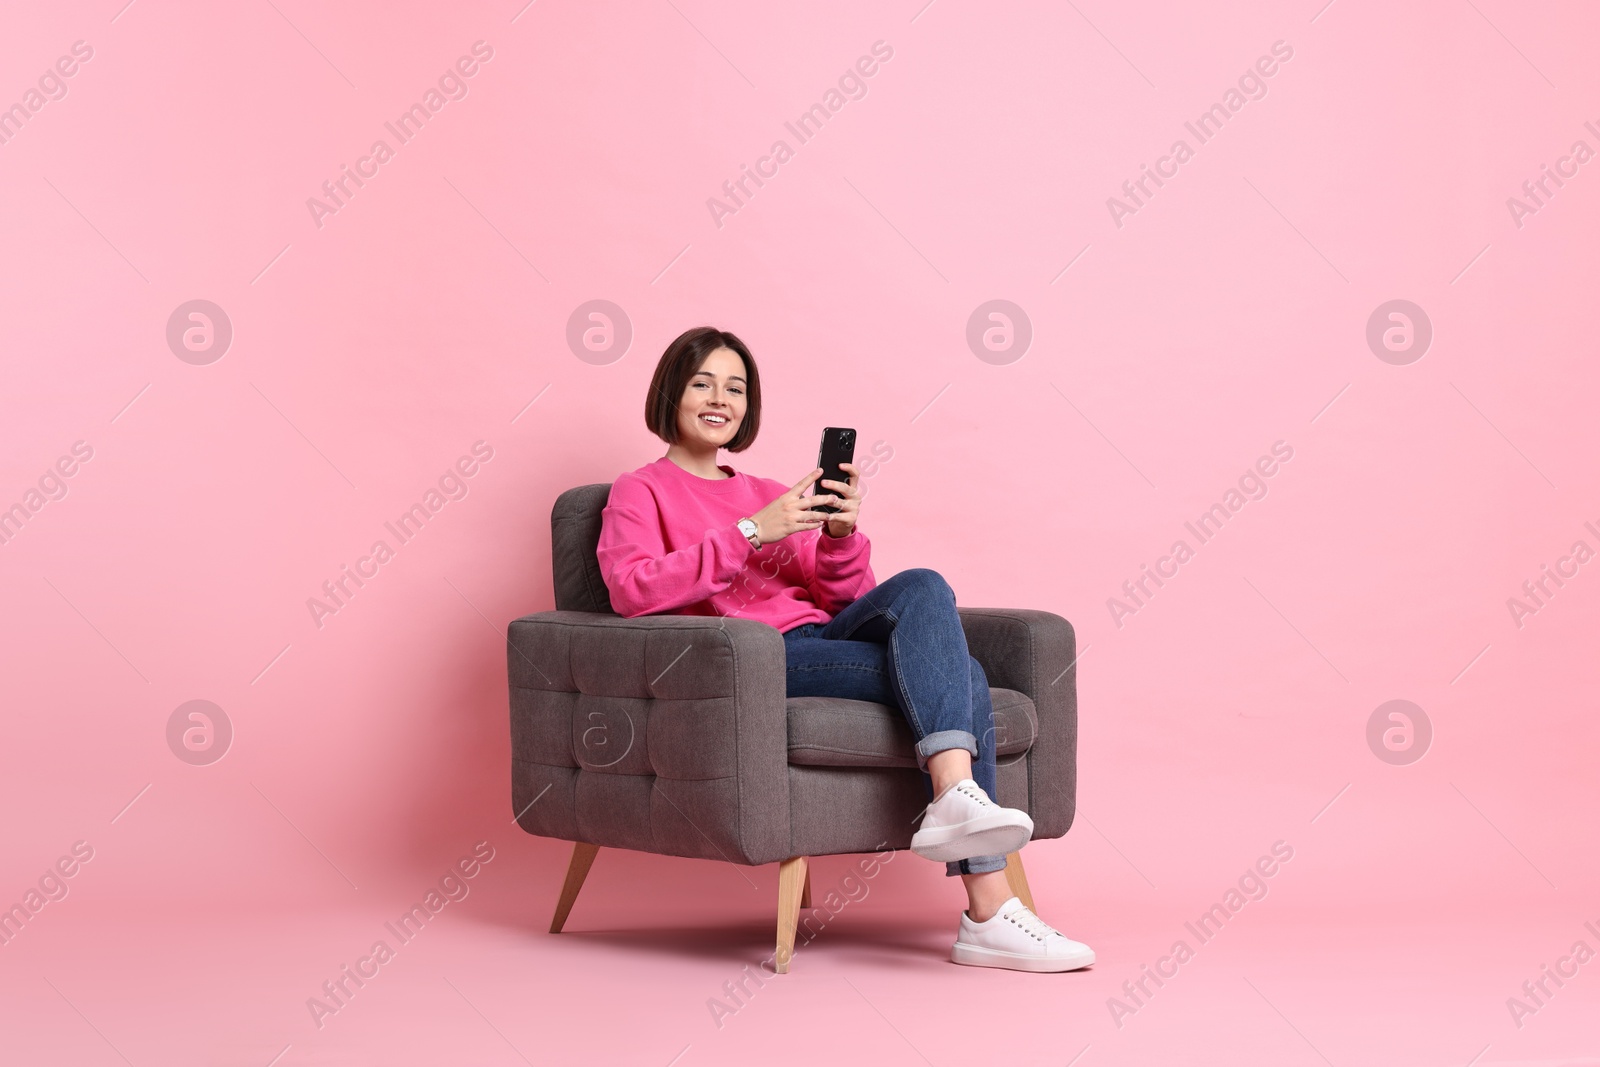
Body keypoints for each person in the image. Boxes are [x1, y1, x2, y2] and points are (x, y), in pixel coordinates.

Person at [595, 326, 1094, 973]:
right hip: (757, 659)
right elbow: (632, 590)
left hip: (820, 637)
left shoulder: (767, 488)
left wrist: (838, 533)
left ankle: (957, 806)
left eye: (736, 387)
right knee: (964, 675)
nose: (721, 398)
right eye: (703, 382)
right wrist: (750, 532)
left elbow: (845, 595)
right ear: (672, 392)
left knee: (924, 590)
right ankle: (988, 909)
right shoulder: (640, 491)